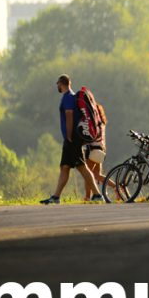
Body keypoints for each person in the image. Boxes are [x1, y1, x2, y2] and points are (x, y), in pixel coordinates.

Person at [39, 75, 104, 204]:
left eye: (57, 84)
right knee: (65, 167)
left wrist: (69, 136)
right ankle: (56, 197)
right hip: (71, 139)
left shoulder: (68, 97)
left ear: (60, 83)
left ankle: (97, 195)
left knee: (81, 167)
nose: (57, 86)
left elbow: (69, 116)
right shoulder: (71, 96)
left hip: (72, 139)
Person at [84, 101, 111, 200]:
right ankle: (117, 187)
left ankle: (87, 197)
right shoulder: (102, 123)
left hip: (93, 150)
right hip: (101, 150)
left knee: (88, 175)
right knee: (97, 175)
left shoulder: (95, 124)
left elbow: (91, 137)